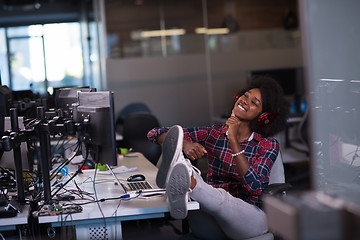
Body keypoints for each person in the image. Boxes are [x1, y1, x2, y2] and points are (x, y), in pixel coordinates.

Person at [147, 76, 289, 239]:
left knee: (220, 197)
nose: (245, 101)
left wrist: (233, 140)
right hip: (213, 218)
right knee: (182, 154)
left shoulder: (268, 145)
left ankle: (189, 181)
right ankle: (185, 174)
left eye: (254, 102)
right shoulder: (213, 134)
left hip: (251, 220)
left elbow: (254, 186)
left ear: (263, 116)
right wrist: (184, 143)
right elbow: (155, 133)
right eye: (245, 95)